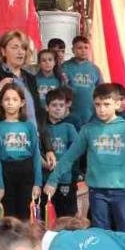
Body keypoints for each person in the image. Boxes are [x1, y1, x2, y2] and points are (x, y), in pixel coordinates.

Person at [45, 83, 125, 233]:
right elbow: (69, 158)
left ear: (117, 104)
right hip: (97, 192)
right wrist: (53, 179)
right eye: (98, 104)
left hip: (121, 191)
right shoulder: (88, 130)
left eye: (106, 104)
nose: (101, 109)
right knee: (100, 233)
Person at [0, 84, 43, 221]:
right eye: (6, 99)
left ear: (22, 102)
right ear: (1, 103)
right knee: (9, 216)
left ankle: (25, 242)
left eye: (15, 99)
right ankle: (11, 243)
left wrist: (37, 183)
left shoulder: (29, 126)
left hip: (26, 171)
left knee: (26, 215)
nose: (10, 103)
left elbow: (36, 155)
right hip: (6, 171)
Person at [41, 89, 80, 219]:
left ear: (66, 107)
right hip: (45, 179)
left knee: (66, 217)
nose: (58, 109)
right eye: (54, 105)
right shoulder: (42, 128)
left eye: (61, 105)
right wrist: (45, 164)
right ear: (47, 107)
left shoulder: (69, 127)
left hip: (65, 179)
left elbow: (75, 153)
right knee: (46, 215)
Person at [60, 35, 102, 125]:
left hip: (91, 114)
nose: (83, 50)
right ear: (73, 50)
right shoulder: (65, 67)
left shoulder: (94, 69)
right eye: (79, 48)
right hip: (70, 114)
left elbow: (101, 91)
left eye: (86, 48)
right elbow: (62, 89)